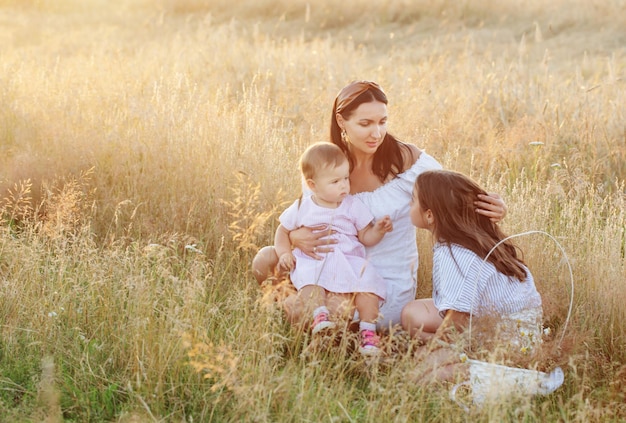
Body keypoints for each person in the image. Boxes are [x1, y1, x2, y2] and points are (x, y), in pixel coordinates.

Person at [252, 80, 507, 331]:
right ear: (342, 122)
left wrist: (494, 208)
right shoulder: (326, 162)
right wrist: (294, 237)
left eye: (382, 122)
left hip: (381, 282)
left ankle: (325, 324)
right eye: (365, 124)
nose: (377, 133)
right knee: (266, 259)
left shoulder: (408, 162)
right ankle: (303, 314)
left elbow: (453, 195)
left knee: (331, 310)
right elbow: (311, 213)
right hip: (330, 267)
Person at [401, 169, 543, 353]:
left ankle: (465, 353)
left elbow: (457, 319)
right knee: (412, 313)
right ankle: (450, 348)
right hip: (520, 330)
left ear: (429, 215)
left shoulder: (454, 255)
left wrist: (434, 351)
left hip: (504, 342)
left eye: (413, 200)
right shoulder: (475, 241)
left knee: (426, 367)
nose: (409, 204)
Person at [275, 142, 393, 355]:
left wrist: (379, 230)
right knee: (311, 283)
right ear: (312, 185)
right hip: (316, 258)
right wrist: (284, 253)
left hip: (348, 261)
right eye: (335, 181)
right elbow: (282, 230)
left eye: (346, 178)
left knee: (369, 284)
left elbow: (365, 236)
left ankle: (368, 332)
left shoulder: (351, 205)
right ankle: (319, 316)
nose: (344, 186)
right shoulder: (304, 205)